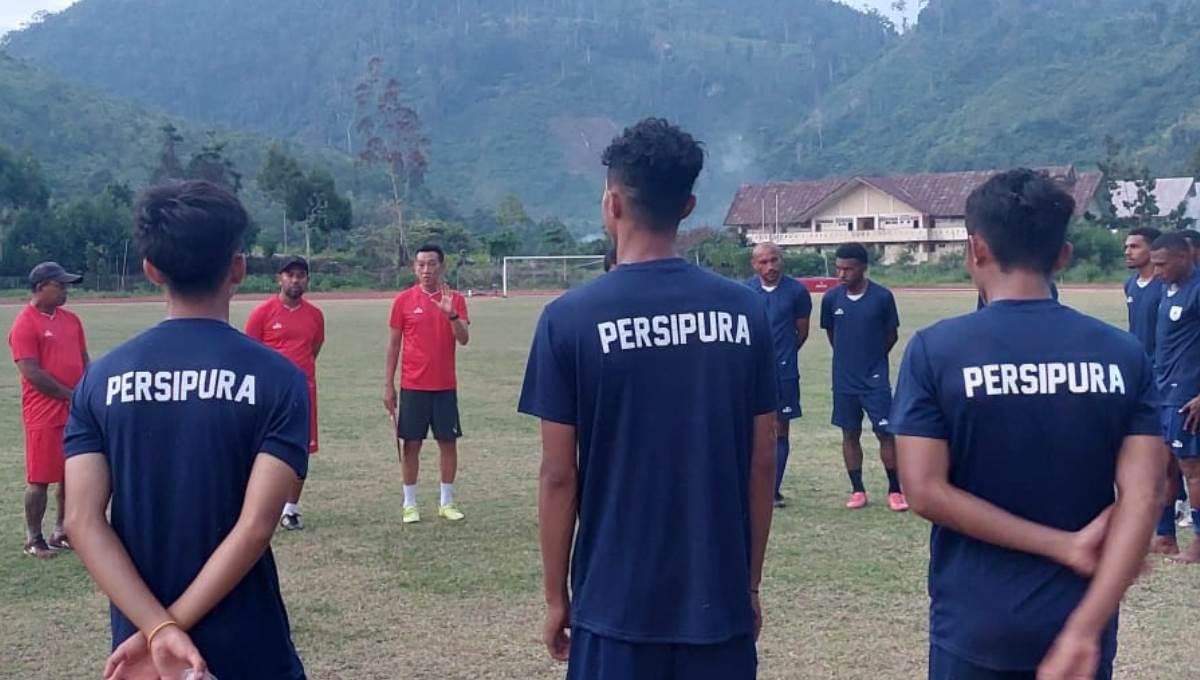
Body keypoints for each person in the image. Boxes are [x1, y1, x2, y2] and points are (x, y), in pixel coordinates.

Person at [518, 118, 776, 680]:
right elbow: (763, 459)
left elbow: (559, 475)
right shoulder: (745, 312)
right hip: (718, 601)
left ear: (611, 203)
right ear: (687, 206)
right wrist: (748, 583)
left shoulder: (569, 319)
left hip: (614, 605)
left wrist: (555, 597)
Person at [892, 169, 1162, 680]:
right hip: (1080, 624)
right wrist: (1084, 629)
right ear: (1062, 256)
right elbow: (1144, 496)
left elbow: (924, 491)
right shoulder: (1122, 353)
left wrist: (1058, 544)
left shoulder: (936, 350)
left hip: (974, 622)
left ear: (976, 249)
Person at [64, 180, 309, 679]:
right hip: (248, 643)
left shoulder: (101, 378)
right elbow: (257, 525)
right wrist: (170, 627)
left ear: (152, 270)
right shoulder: (279, 379)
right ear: (237, 267)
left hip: (142, 654)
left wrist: (157, 631)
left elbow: (82, 522)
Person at [384, 244, 470, 523]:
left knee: (448, 442)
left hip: (445, 385)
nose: (426, 270)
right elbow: (394, 345)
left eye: (431, 264)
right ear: (414, 268)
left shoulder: (454, 299)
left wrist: (451, 315)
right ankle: (410, 504)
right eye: (421, 264)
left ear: (441, 266)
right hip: (413, 386)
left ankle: (447, 502)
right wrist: (388, 385)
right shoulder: (403, 301)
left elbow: (464, 338)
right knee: (411, 444)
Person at [8, 261, 88, 558]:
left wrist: (86, 391)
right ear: (41, 287)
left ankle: (62, 530)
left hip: (74, 409)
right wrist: (70, 395)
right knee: (40, 478)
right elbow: (32, 372)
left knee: (72, 473)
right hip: (44, 413)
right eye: (61, 285)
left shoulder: (71, 321)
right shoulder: (25, 324)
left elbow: (83, 359)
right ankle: (34, 538)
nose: (67, 290)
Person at [820, 242, 907, 511]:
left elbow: (891, 335)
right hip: (844, 381)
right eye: (839, 268)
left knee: (884, 433)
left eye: (848, 269)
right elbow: (833, 335)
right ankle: (858, 490)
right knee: (849, 433)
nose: (842, 274)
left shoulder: (882, 297)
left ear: (863, 268)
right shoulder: (831, 299)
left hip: (875, 380)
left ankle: (895, 490)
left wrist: (872, 360)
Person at [246, 255, 325, 531]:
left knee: (300, 450)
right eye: (289, 275)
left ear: (306, 280)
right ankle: (259, 508)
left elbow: (313, 349)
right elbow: (251, 355)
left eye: (301, 275)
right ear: (279, 278)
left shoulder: (315, 315)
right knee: (263, 450)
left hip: (303, 394)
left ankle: (290, 510)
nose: (295, 280)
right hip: (269, 396)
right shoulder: (263, 313)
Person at [745, 242, 811, 508]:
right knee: (748, 429)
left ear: (781, 261)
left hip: (784, 373)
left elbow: (802, 332)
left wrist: (783, 356)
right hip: (749, 372)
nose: (770, 267)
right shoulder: (744, 292)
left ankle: (773, 490)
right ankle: (748, 485)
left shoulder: (796, 291)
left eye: (774, 260)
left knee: (780, 430)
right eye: (763, 262)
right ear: (754, 264)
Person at [1149, 231, 1200, 562]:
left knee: (1192, 471)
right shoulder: (1169, 289)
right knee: (1162, 469)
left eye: (1162, 264)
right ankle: (1166, 536)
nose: (1156, 271)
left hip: (1186, 397)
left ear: (1185, 257)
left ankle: (1198, 542)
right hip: (1162, 393)